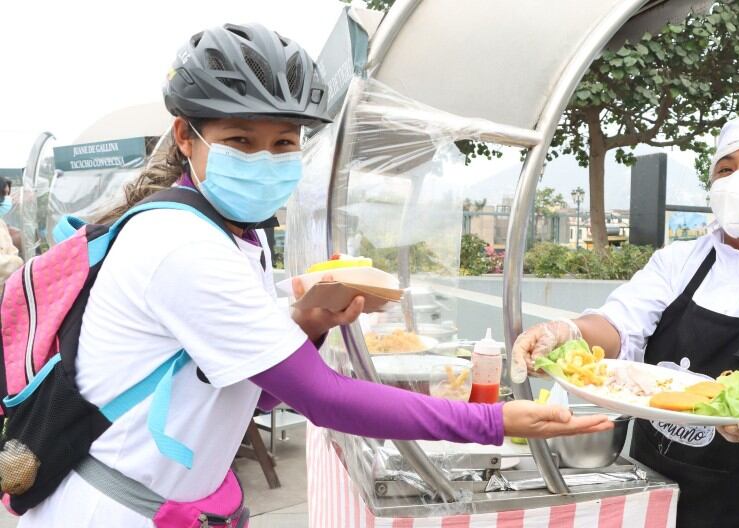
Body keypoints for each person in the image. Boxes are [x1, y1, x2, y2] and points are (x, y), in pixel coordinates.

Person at [20, 23, 609, 527]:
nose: (264, 158)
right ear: (185, 137)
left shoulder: (236, 238)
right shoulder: (182, 245)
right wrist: (495, 420)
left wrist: (306, 323)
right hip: (111, 509)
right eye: (239, 141)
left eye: (283, 143)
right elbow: (324, 400)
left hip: (170, 504)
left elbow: (247, 396)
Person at [512, 116, 739, 528]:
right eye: (725, 168)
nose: (737, 180)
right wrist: (567, 333)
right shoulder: (679, 260)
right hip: (662, 492)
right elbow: (619, 325)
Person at [0, 177, 23, 286]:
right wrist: (17, 262)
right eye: (3, 195)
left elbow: (12, 250)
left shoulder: (1, 223)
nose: (7, 199)